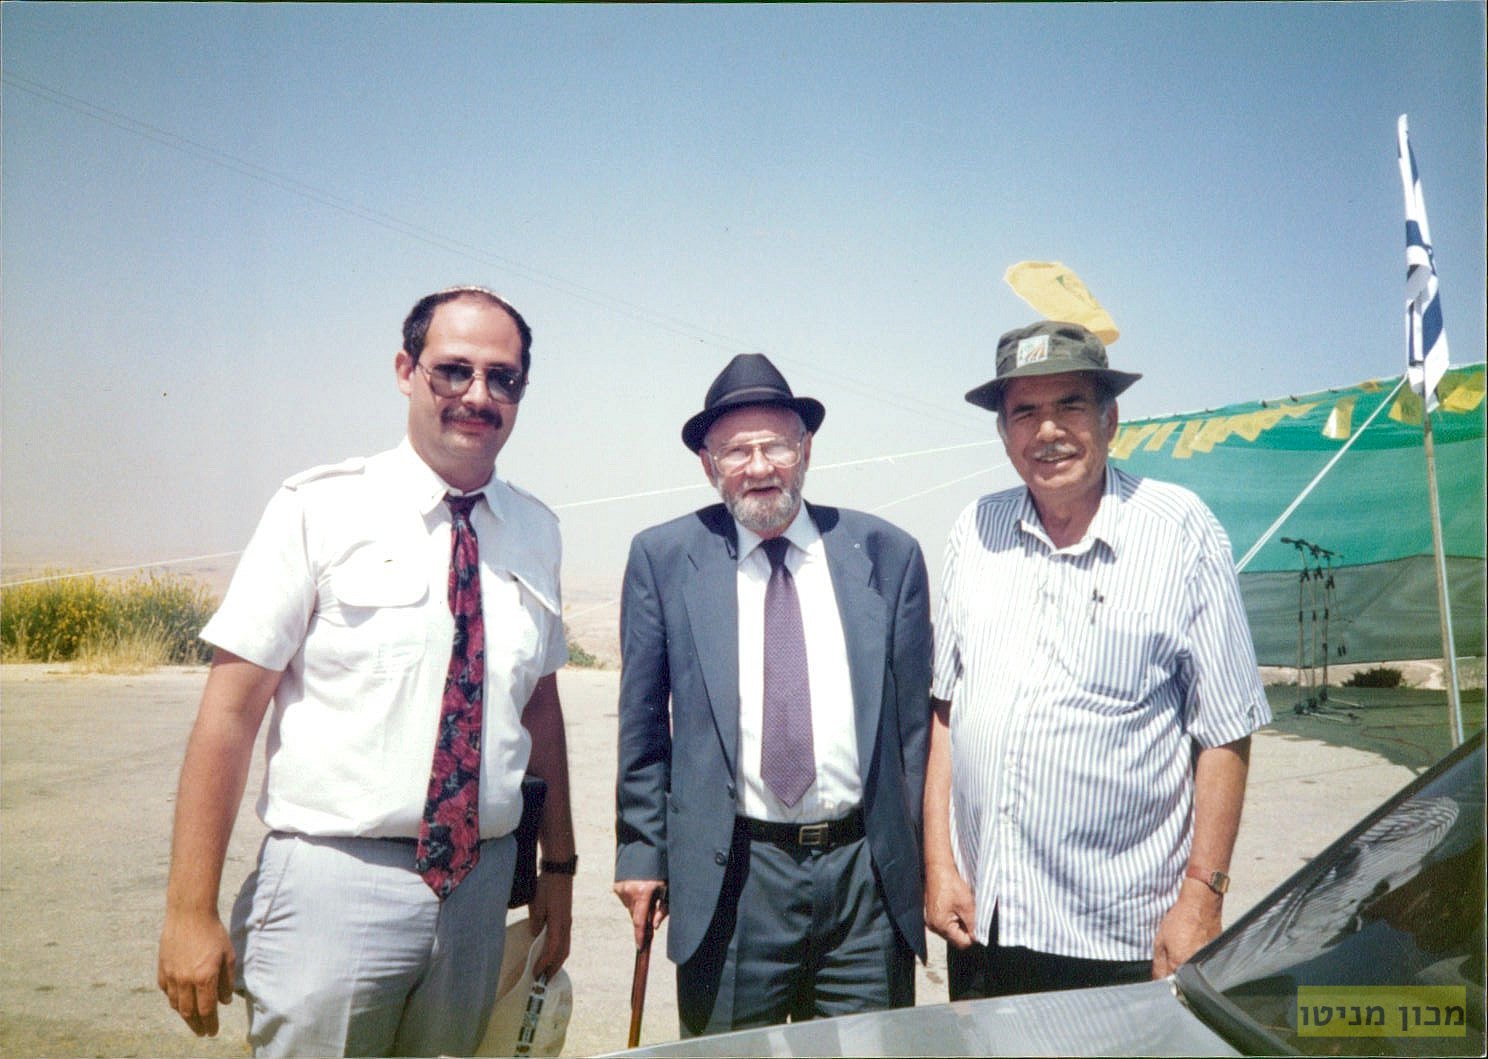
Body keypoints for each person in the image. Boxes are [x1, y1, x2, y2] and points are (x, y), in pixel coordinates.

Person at [156, 286, 576, 1057]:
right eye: (453, 370)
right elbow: (229, 714)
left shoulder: (536, 530)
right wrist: (190, 908)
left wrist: (561, 868)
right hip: (334, 888)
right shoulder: (318, 509)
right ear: (406, 371)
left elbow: (539, 709)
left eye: (502, 377)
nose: (477, 395)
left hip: (479, 892)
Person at [924, 320, 1270, 999]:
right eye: (1024, 411)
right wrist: (940, 864)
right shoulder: (975, 530)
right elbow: (946, 712)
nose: (1047, 430)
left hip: (1119, 938)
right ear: (1003, 432)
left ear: (1110, 419)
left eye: (1070, 405)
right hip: (987, 924)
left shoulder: (1180, 530)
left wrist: (1202, 898)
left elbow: (1226, 728)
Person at [614, 353, 931, 1036]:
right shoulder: (665, 558)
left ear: (806, 450)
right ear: (709, 465)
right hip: (734, 876)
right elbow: (642, 727)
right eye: (736, 451)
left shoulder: (887, 554)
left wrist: (915, 862)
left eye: (776, 446)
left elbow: (913, 733)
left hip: (864, 880)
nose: (759, 467)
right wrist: (641, 852)